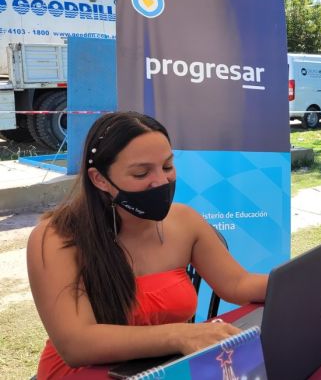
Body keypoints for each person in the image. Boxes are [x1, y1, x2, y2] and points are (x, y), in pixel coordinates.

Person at [27, 111, 268, 379]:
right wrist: (178, 334)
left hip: (163, 370)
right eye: (142, 173)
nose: (162, 182)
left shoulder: (185, 221)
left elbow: (237, 283)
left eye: (167, 167)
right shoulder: (57, 237)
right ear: (100, 179)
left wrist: (301, 281)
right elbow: (76, 344)